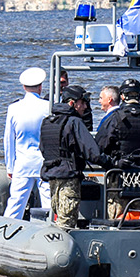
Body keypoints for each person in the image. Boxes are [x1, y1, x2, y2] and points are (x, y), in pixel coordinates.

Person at [39, 84, 112, 229]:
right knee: (67, 222)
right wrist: (111, 163)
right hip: (69, 178)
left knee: (58, 216)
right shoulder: (74, 122)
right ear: (72, 103)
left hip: (52, 177)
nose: (85, 107)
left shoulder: (48, 122)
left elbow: (43, 148)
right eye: (82, 103)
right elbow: (92, 152)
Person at [97, 78, 140, 220]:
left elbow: (100, 145)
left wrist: (114, 161)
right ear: (139, 96)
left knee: (117, 217)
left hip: (118, 174)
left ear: (122, 96)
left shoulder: (114, 119)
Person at [3, 67, 51, 221]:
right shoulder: (48, 107)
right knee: (48, 203)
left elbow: (9, 140)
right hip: (44, 162)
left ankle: (7, 228)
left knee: (16, 203)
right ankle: (51, 229)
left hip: (22, 163)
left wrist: (10, 166)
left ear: (24, 87)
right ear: (40, 87)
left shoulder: (14, 108)